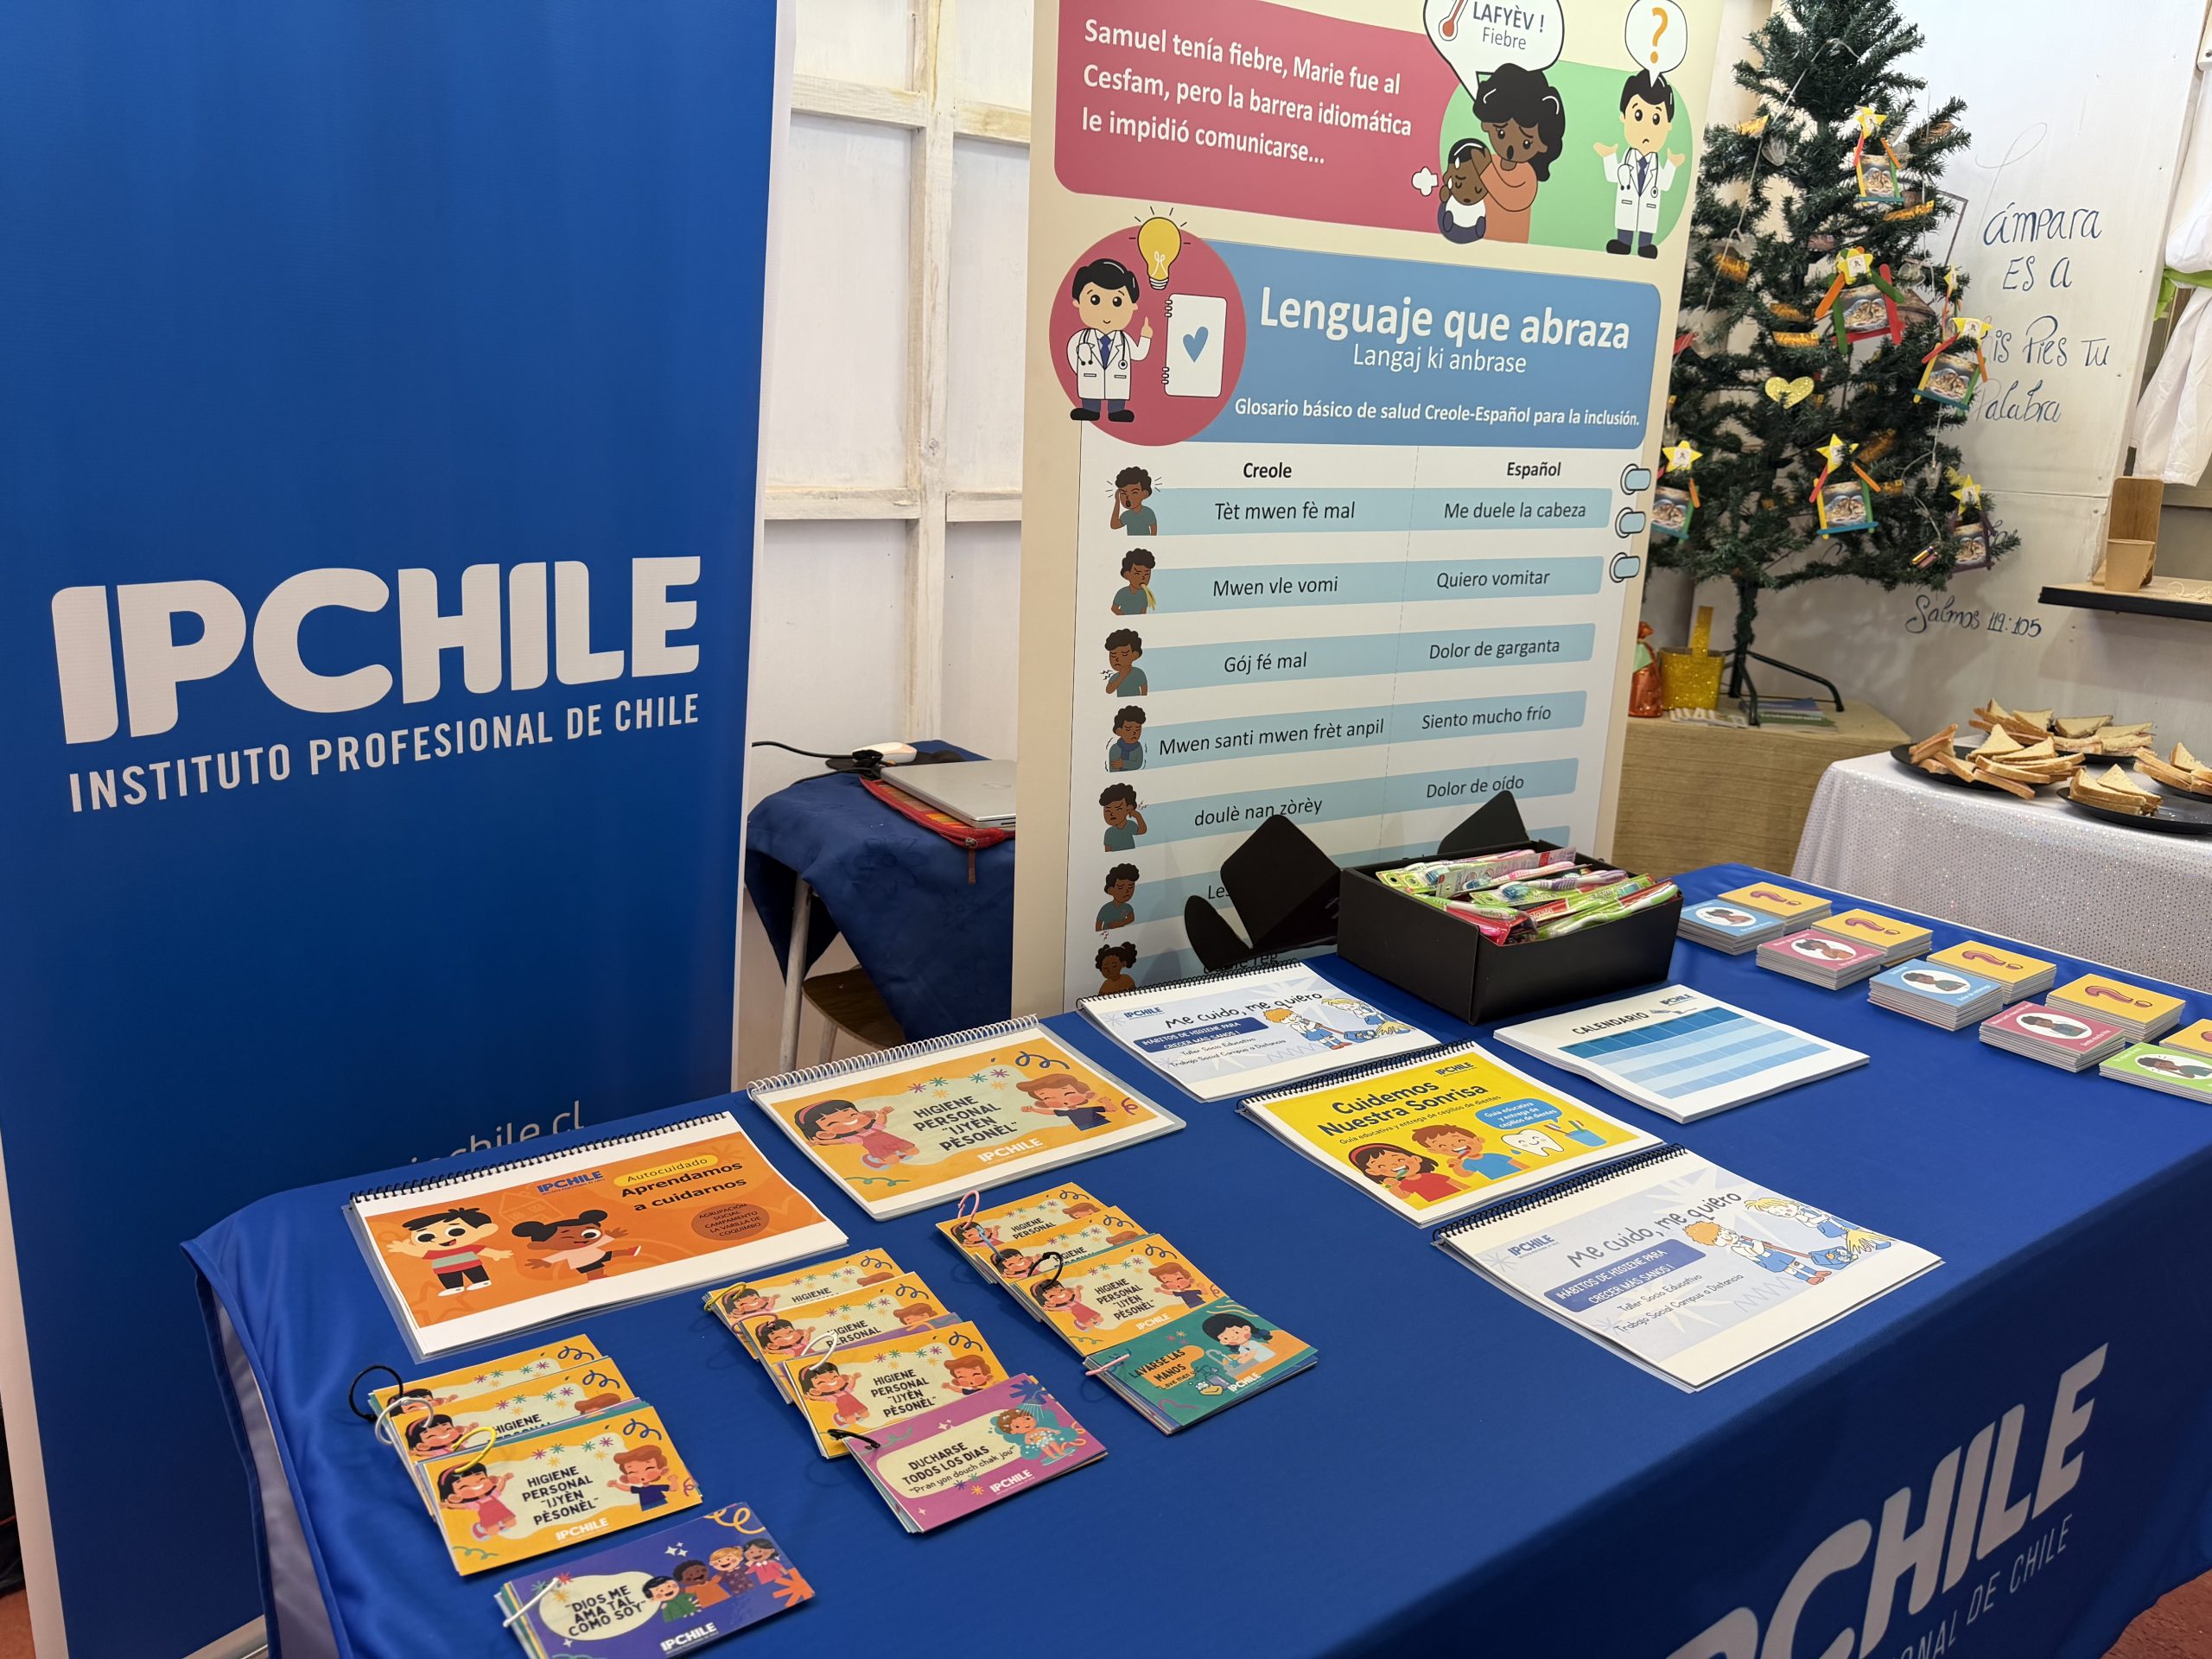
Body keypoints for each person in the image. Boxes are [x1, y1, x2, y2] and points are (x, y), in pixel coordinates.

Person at [1472, 63, 1565, 244]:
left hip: (1513, 244)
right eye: (1501, 133)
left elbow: (1514, 200)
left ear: (1542, 145)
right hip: (1481, 235)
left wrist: (1485, 171)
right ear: (1487, 125)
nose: (1510, 148)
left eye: (1526, 142)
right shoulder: (1491, 161)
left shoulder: (1527, 174)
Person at [1594, 70, 1681, 257]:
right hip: (1627, 203)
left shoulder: (1656, 164)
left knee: (1647, 223)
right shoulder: (1627, 159)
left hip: (1649, 207)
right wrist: (1608, 156)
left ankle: (1645, 246)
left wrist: (1672, 165)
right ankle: (1623, 242)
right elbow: (1613, 176)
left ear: (1668, 125)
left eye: (1656, 119)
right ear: (1624, 117)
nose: (1646, 129)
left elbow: (1664, 184)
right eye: (1638, 115)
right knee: (1626, 221)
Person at [1065, 257, 1152, 422]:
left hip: (1117, 382)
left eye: (1117, 302)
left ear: (1133, 306)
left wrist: (1145, 336)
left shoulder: (1124, 340)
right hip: (1090, 378)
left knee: (1116, 395)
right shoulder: (1081, 338)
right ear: (1078, 303)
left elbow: (1139, 354)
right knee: (1090, 395)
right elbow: (1071, 354)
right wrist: (1082, 370)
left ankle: (1116, 411)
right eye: (1095, 300)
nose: (1106, 311)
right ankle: (1090, 409)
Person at [385, 1205, 511, 1296]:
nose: (441, 1239)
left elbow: (482, 1250)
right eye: (425, 1237)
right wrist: (405, 1248)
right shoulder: (435, 1253)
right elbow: (419, 1252)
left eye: (455, 1231)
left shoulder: (467, 1248)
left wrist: (497, 1254)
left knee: (475, 1272)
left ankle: (482, 1281)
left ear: (482, 1230)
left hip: (471, 1264)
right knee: (449, 1277)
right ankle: (454, 1287)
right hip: (444, 1269)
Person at [793, 1097, 918, 1169]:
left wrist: (882, 1114)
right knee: (893, 1161)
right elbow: (838, 1141)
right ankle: (873, 1160)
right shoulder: (856, 1137)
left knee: (914, 1151)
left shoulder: (873, 1128)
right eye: (833, 1123)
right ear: (826, 1133)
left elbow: (880, 1121)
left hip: (893, 1141)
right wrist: (819, 1142)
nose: (850, 1119)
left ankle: (900, 1153)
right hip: (878, 1148)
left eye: (853, 1114)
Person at [510, 1211, 638, 1280]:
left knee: (611, 1254)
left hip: (595, 1254)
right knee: (594, 1269)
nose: (581, 1239)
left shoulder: (588, 1245)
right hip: (584, 1262)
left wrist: (612, 1236)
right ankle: (597, 1278)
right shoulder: (569, 1251)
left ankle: (629, 1252)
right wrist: (545, 1261)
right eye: (567, 1237)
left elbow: (600, 1241)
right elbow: (560, 1256)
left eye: (589, 1234)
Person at [1350, 1142, 1465, 1204]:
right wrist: (1394, 1187)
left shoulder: (1432, 1176)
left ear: (1416, 1158)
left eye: (1400, 1159)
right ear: (1373, 1172)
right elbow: (1403, 1196)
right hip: (1437, 1204)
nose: (1394, 1165)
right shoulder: (1406, 1183)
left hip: (1460, 1197)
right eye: (1381, 1166)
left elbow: (1457, 1183)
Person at [1409, 1122, 1525, 1181]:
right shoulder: (1467, 1163)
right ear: (1434, 1150)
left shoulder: (1492, 1155)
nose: (1454, 1145)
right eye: (1442, 1145)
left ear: (1478, 1140)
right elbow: (1466, 1174)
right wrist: (1457, 1167)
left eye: (1460, 1140)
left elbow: (1516, 1163)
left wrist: (1527, 1171)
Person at [1015, 1073, 1116, 1132]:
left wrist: (1107, 1101)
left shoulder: (1089, 1109)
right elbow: (1052, 1112)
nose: (1062, 1100)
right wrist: (1034, 1110)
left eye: (1068, 1093)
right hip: (1084, 1128)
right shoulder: (1067, 1112)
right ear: (1044, 1104)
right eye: (1048, 1098)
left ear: (1084, 1093)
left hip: (1101, 1123)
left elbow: (1111, 1109)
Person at [1438, 136, 1490, 243]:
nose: (1468, 197)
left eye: (1478, 190)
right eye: (1458, 184)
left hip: (1473, 229)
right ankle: (1449, 219)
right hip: (1452, 223)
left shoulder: (1480, 205)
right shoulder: (1451, 198)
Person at [610, 1446, 674, 1510]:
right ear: (626, 1479)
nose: (642, 1476)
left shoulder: (656, 1487)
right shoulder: (640, 1490)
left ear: (663, 1471)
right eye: (632, 1472)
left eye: (649, 1468)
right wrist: (616, 1485)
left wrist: (673, 1480)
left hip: (661, 1503)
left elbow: (673, 1488)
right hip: (646, 1506)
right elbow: (628, 1488)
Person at [1110, 467, 1158, 534]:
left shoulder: (1148, 513)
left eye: (1134, 493)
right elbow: (1114, 525)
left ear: (1145, 494)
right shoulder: (1126, 515)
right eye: (1123, 493)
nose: (1127, 497)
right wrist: (1117, 501)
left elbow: (1154, 531)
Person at [1100, 784, 1147, 851]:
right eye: (1108, 810)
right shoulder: (1109, 832)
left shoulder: (1130, 825)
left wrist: (1138, 816)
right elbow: (1108, 850)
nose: (1112, 813)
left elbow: (1142, 830)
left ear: (1129, 808)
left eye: (1118, 809)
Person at [1103, 627, 1147, 696]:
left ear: (1135, 655)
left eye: (1124, 654)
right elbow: (1109, 690)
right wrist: (1121, 677)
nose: (1117, 659)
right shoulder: (1116, 676)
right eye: (1113, 655)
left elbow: (1144, 689)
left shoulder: (1138, 673)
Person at [1112, 548, 1157, 614]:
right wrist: (1124, 616)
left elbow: (1143, 612)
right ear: (1127, 575)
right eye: (1137, 574)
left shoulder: (1144, 594)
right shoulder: (1122, 593)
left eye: (1146, 574)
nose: (1143, 578)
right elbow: (1114, 608)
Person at [1096, 863, 1138, 931]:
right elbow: (1098, 924)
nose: (1127, 891)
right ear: (1110, 890)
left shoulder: (1127, 907)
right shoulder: (1106, 908)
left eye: (1130, 887)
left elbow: (1131, 918)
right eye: (1121, 887)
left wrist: (1121, 923)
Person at [1108, 706, 1147, 772]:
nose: (1134, 733)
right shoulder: (1114, 748)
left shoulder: (1138, 748)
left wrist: (1123, 764)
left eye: (1138, 729)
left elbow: (1138, 764)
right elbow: (1112, 767)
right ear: (1119, 731)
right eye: (1128, 729)